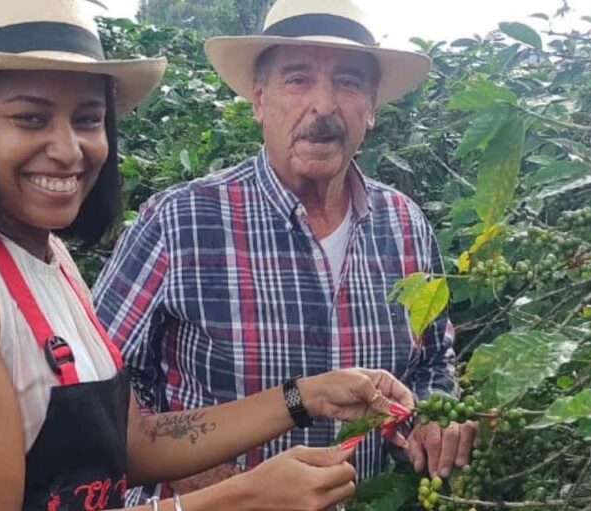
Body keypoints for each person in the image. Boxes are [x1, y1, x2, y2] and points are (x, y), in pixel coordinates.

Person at [0, 1, 416, 509]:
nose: (69, 149)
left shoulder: (46, 261)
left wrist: (305, 396)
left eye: (87, 119)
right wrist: (239, 498)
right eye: (30, 118)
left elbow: (134, 441)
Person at [93, 0, 476, 501]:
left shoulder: (404, 225)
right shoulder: (179, 221)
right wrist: (205, 479)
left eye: (348, 82)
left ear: (371, 107)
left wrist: (429, 418)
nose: (323, 106)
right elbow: (102, 384)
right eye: (297, 80)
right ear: (258, 100)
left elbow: (431, 361)